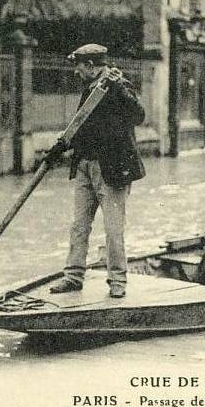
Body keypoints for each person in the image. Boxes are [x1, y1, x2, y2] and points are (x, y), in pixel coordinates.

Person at [45, 44, 146, 298]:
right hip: (84, 167)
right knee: (79, 225)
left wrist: (120, 89)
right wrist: (61, 145)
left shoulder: (118, 85)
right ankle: (73, 276)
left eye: (79, 68)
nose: (76, 73)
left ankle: (117, 281)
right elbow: (82, 125)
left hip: (111, 170)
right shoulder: (89, 89)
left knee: (113, 229)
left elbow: (139, 115)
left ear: (90, 66)